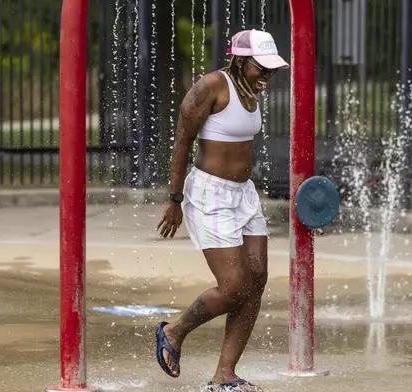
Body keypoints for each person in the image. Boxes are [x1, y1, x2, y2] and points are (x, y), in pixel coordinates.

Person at [154, 29, 289, 391]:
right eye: (262, 69)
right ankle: (175, 331)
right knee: (233, 287)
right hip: (210, 194)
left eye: (272, 71)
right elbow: (182, 141)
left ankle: (224, 375)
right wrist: (175, 199)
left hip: (243, 194)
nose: (267, 76)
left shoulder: (252, 91)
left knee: (256, 281)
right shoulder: (211, 86)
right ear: (241, 60)